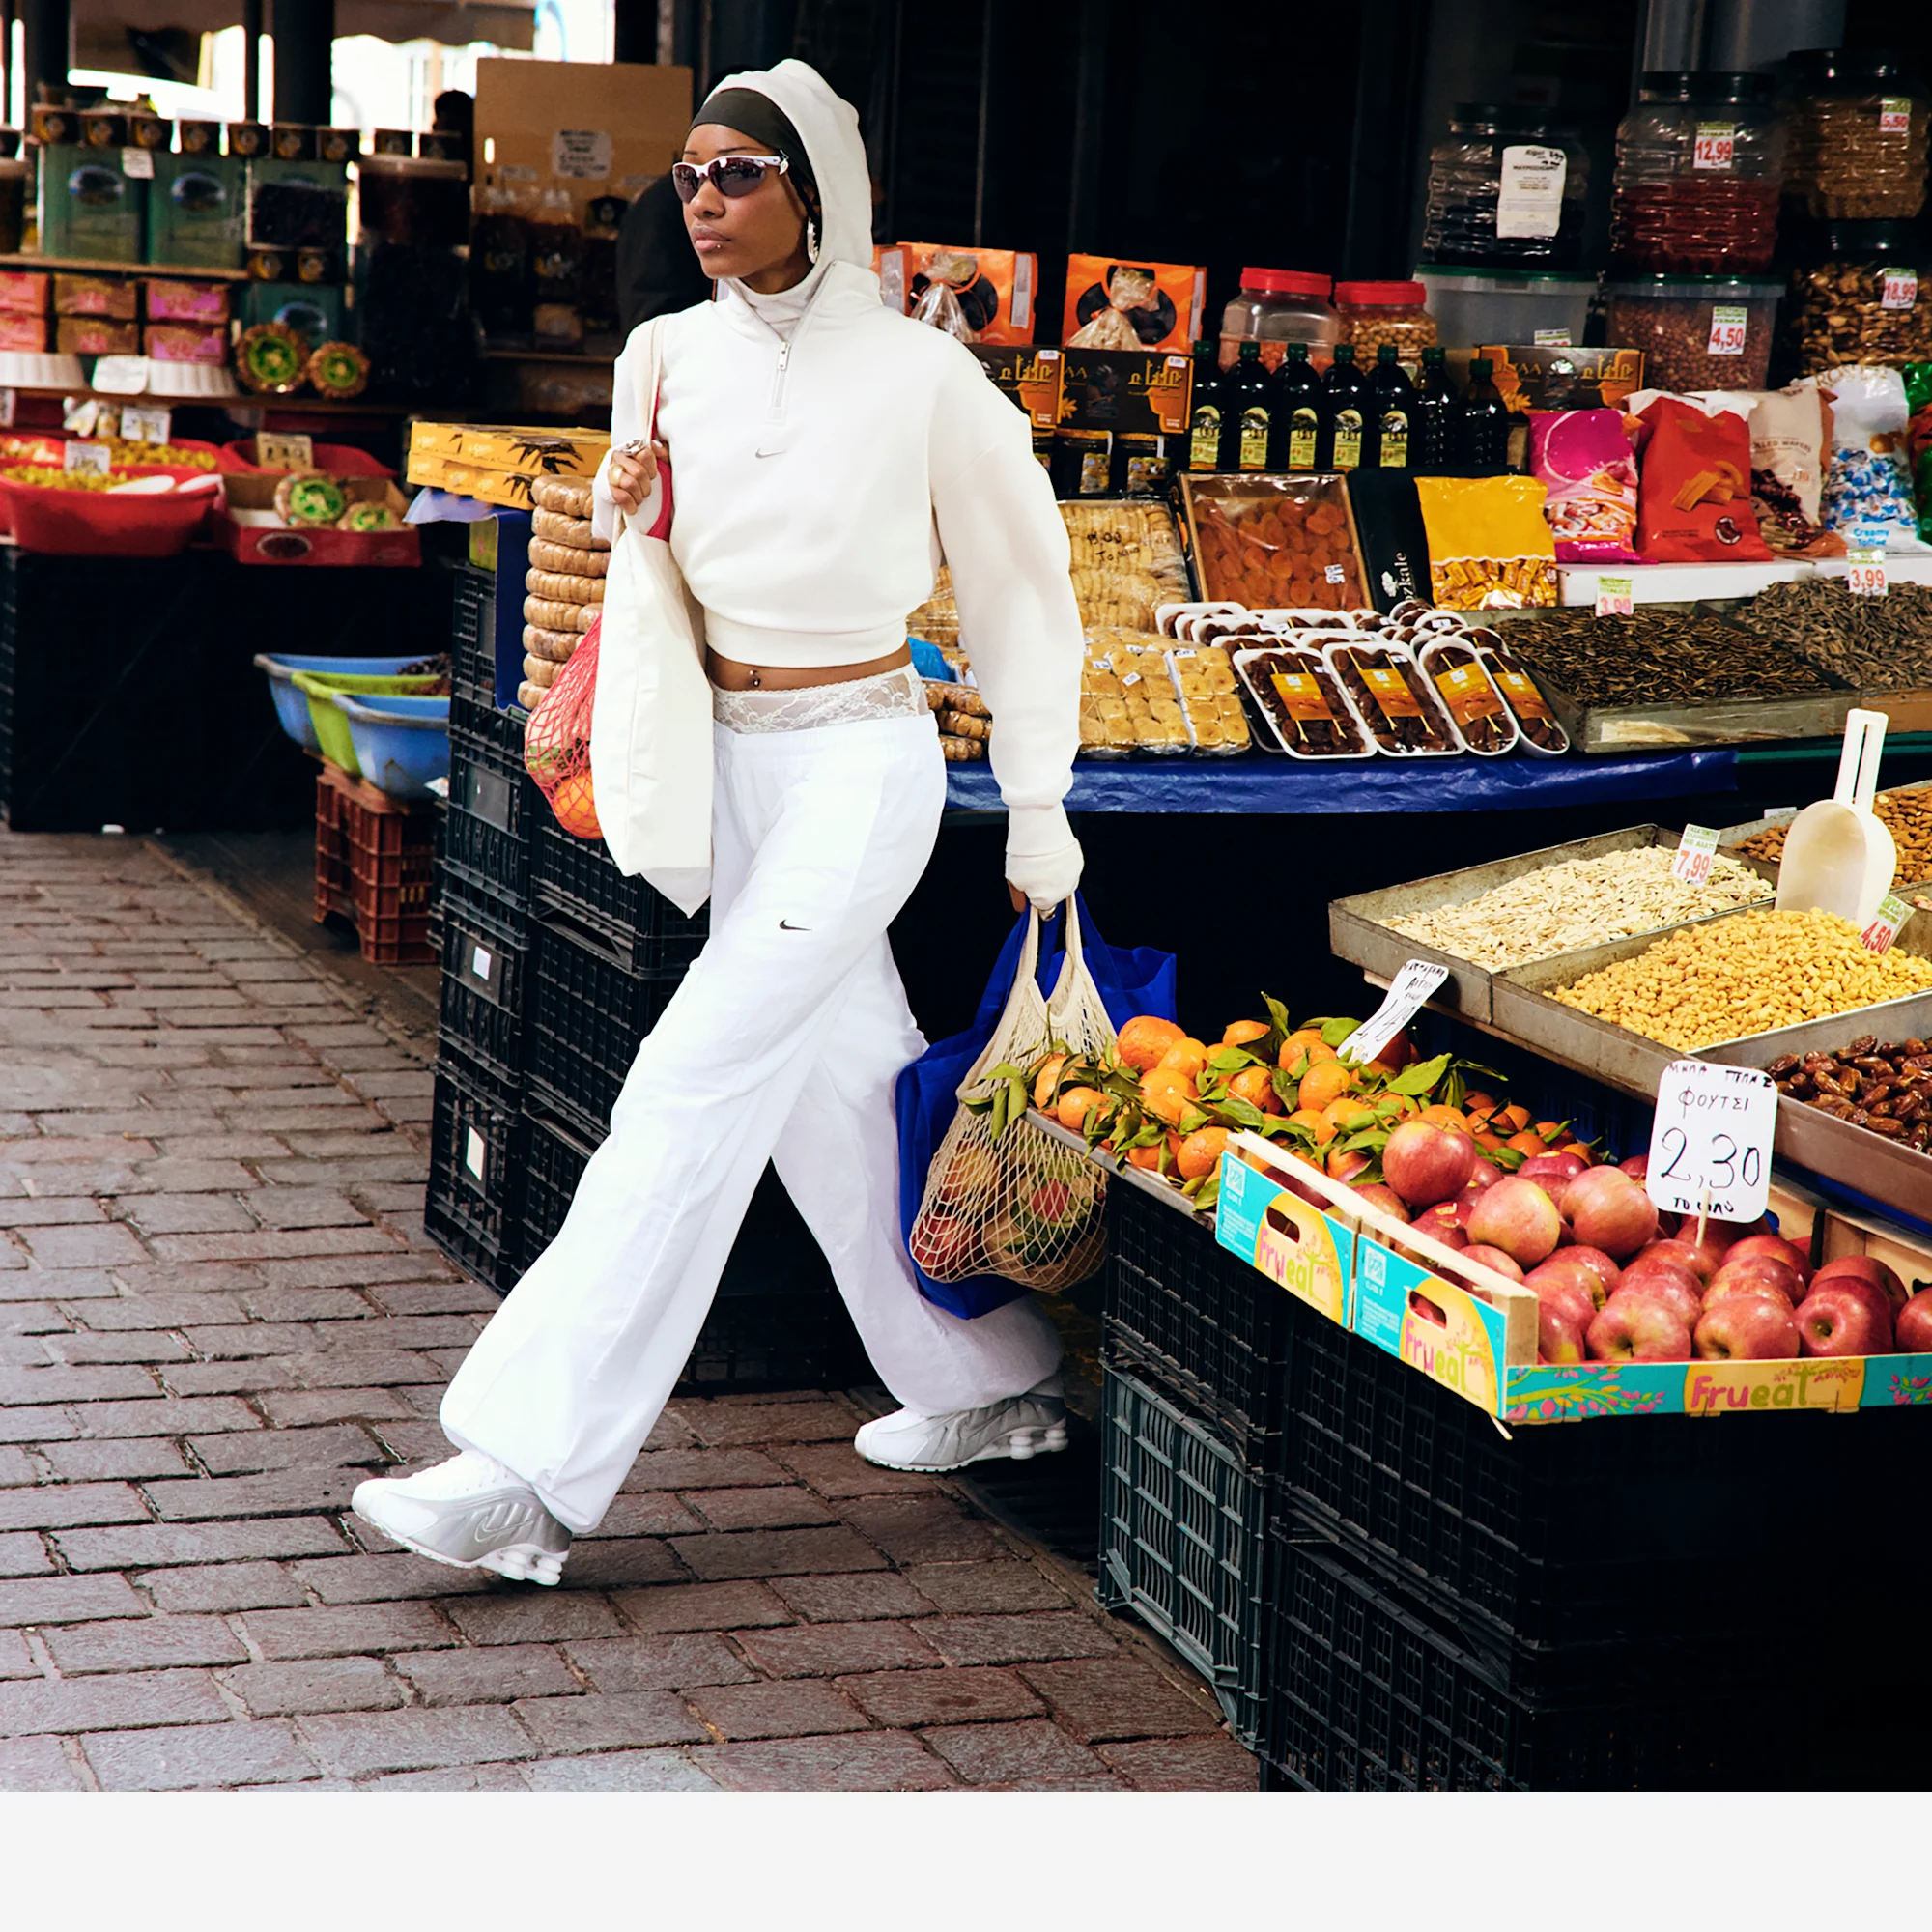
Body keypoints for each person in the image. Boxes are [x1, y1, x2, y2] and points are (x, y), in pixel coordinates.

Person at [352, 59, 1085, 1587]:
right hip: (727, 762)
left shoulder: (925, 375)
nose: (704, 198)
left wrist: (1037, 806)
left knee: (686, 1086)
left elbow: (1025, 590)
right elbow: (656, 567)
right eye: (688, 175)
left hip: (861, 763)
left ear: (818, 190)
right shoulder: (663, 353)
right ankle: (993, 1380)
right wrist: (627, 505)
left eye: (739, 171)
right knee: (835, 1089)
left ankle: (525, 1473)